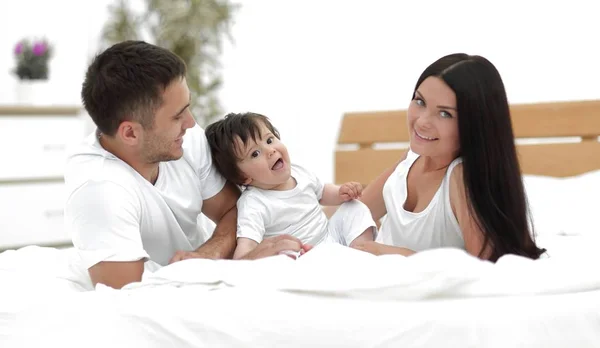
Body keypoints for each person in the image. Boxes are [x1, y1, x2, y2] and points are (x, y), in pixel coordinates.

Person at [64, 40, 309, 290]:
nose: (191, 123)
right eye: (177, 116)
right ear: (130, 133)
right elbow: (127, 297)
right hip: (177, 292)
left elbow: (234, 209)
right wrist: (239, 267)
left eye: (187, 109)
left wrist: (207, 257)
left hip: (204, 275)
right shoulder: (99, 189)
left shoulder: (185, 140)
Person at [351, 53, 547, 262]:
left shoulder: (459, 178)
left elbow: (483, 269)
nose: (422, 121)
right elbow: (356, 212)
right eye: (420, 101)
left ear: (475, 124)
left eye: (445, 114)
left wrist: (389, 253)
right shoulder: (411, 160)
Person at [205, 112, 377, 259]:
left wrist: (341, 192)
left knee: (354, 208)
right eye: (255, 153)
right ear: (243, 176)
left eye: (270, 140)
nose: (270, 150)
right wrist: (246, 259)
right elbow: (246, 247)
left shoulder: (299, 172)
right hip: (302, 255)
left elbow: (322, 192)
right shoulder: (254, 203)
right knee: (283, 254)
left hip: (330, 236)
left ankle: (360, 252)